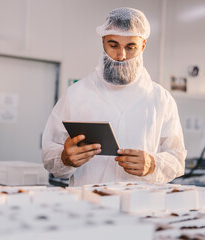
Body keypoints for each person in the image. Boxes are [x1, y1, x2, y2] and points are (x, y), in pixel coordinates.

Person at [42, 7, 187, 186]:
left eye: (130, 47)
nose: (121, 56)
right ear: (103, 42)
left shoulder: (161, 100)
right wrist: (65, 158)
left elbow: (177, 159)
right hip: (88, 206)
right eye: (113, 45)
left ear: (143, 46)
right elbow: (49, 154)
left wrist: (153, 164)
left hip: (141, 207)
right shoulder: (76, 94)